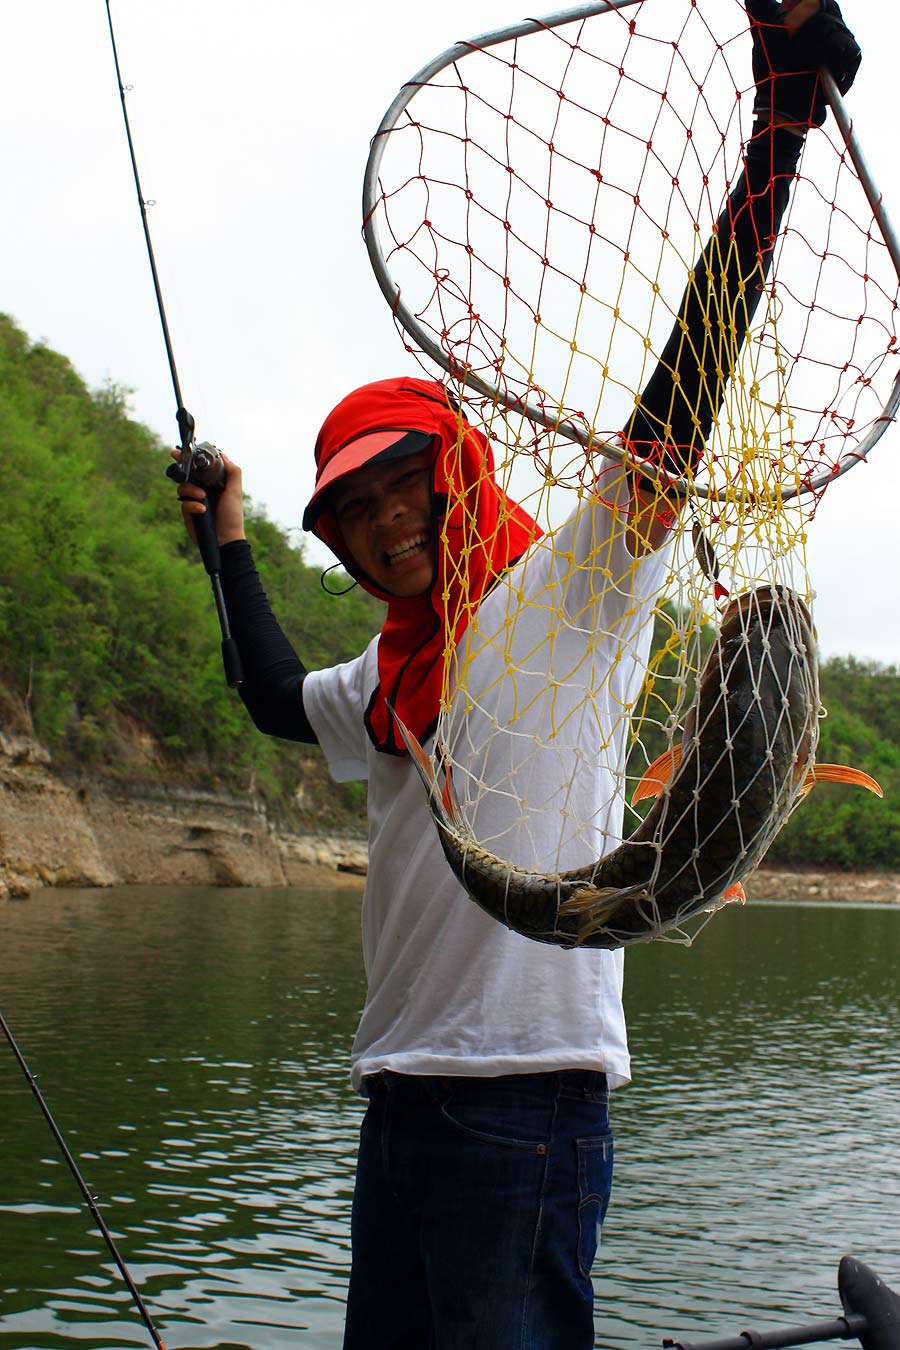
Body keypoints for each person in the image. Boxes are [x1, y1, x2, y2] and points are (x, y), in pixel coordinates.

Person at [176, 4, 859, 1346]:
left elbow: (678, 408)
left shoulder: (572, 592)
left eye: (401, 485)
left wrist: (776, 134)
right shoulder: (386, 671)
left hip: (529, 1105)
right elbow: (269, 694)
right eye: (350, 512)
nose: (384, 523)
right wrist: (230, 546)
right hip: (399, 1100)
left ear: (458, 466)